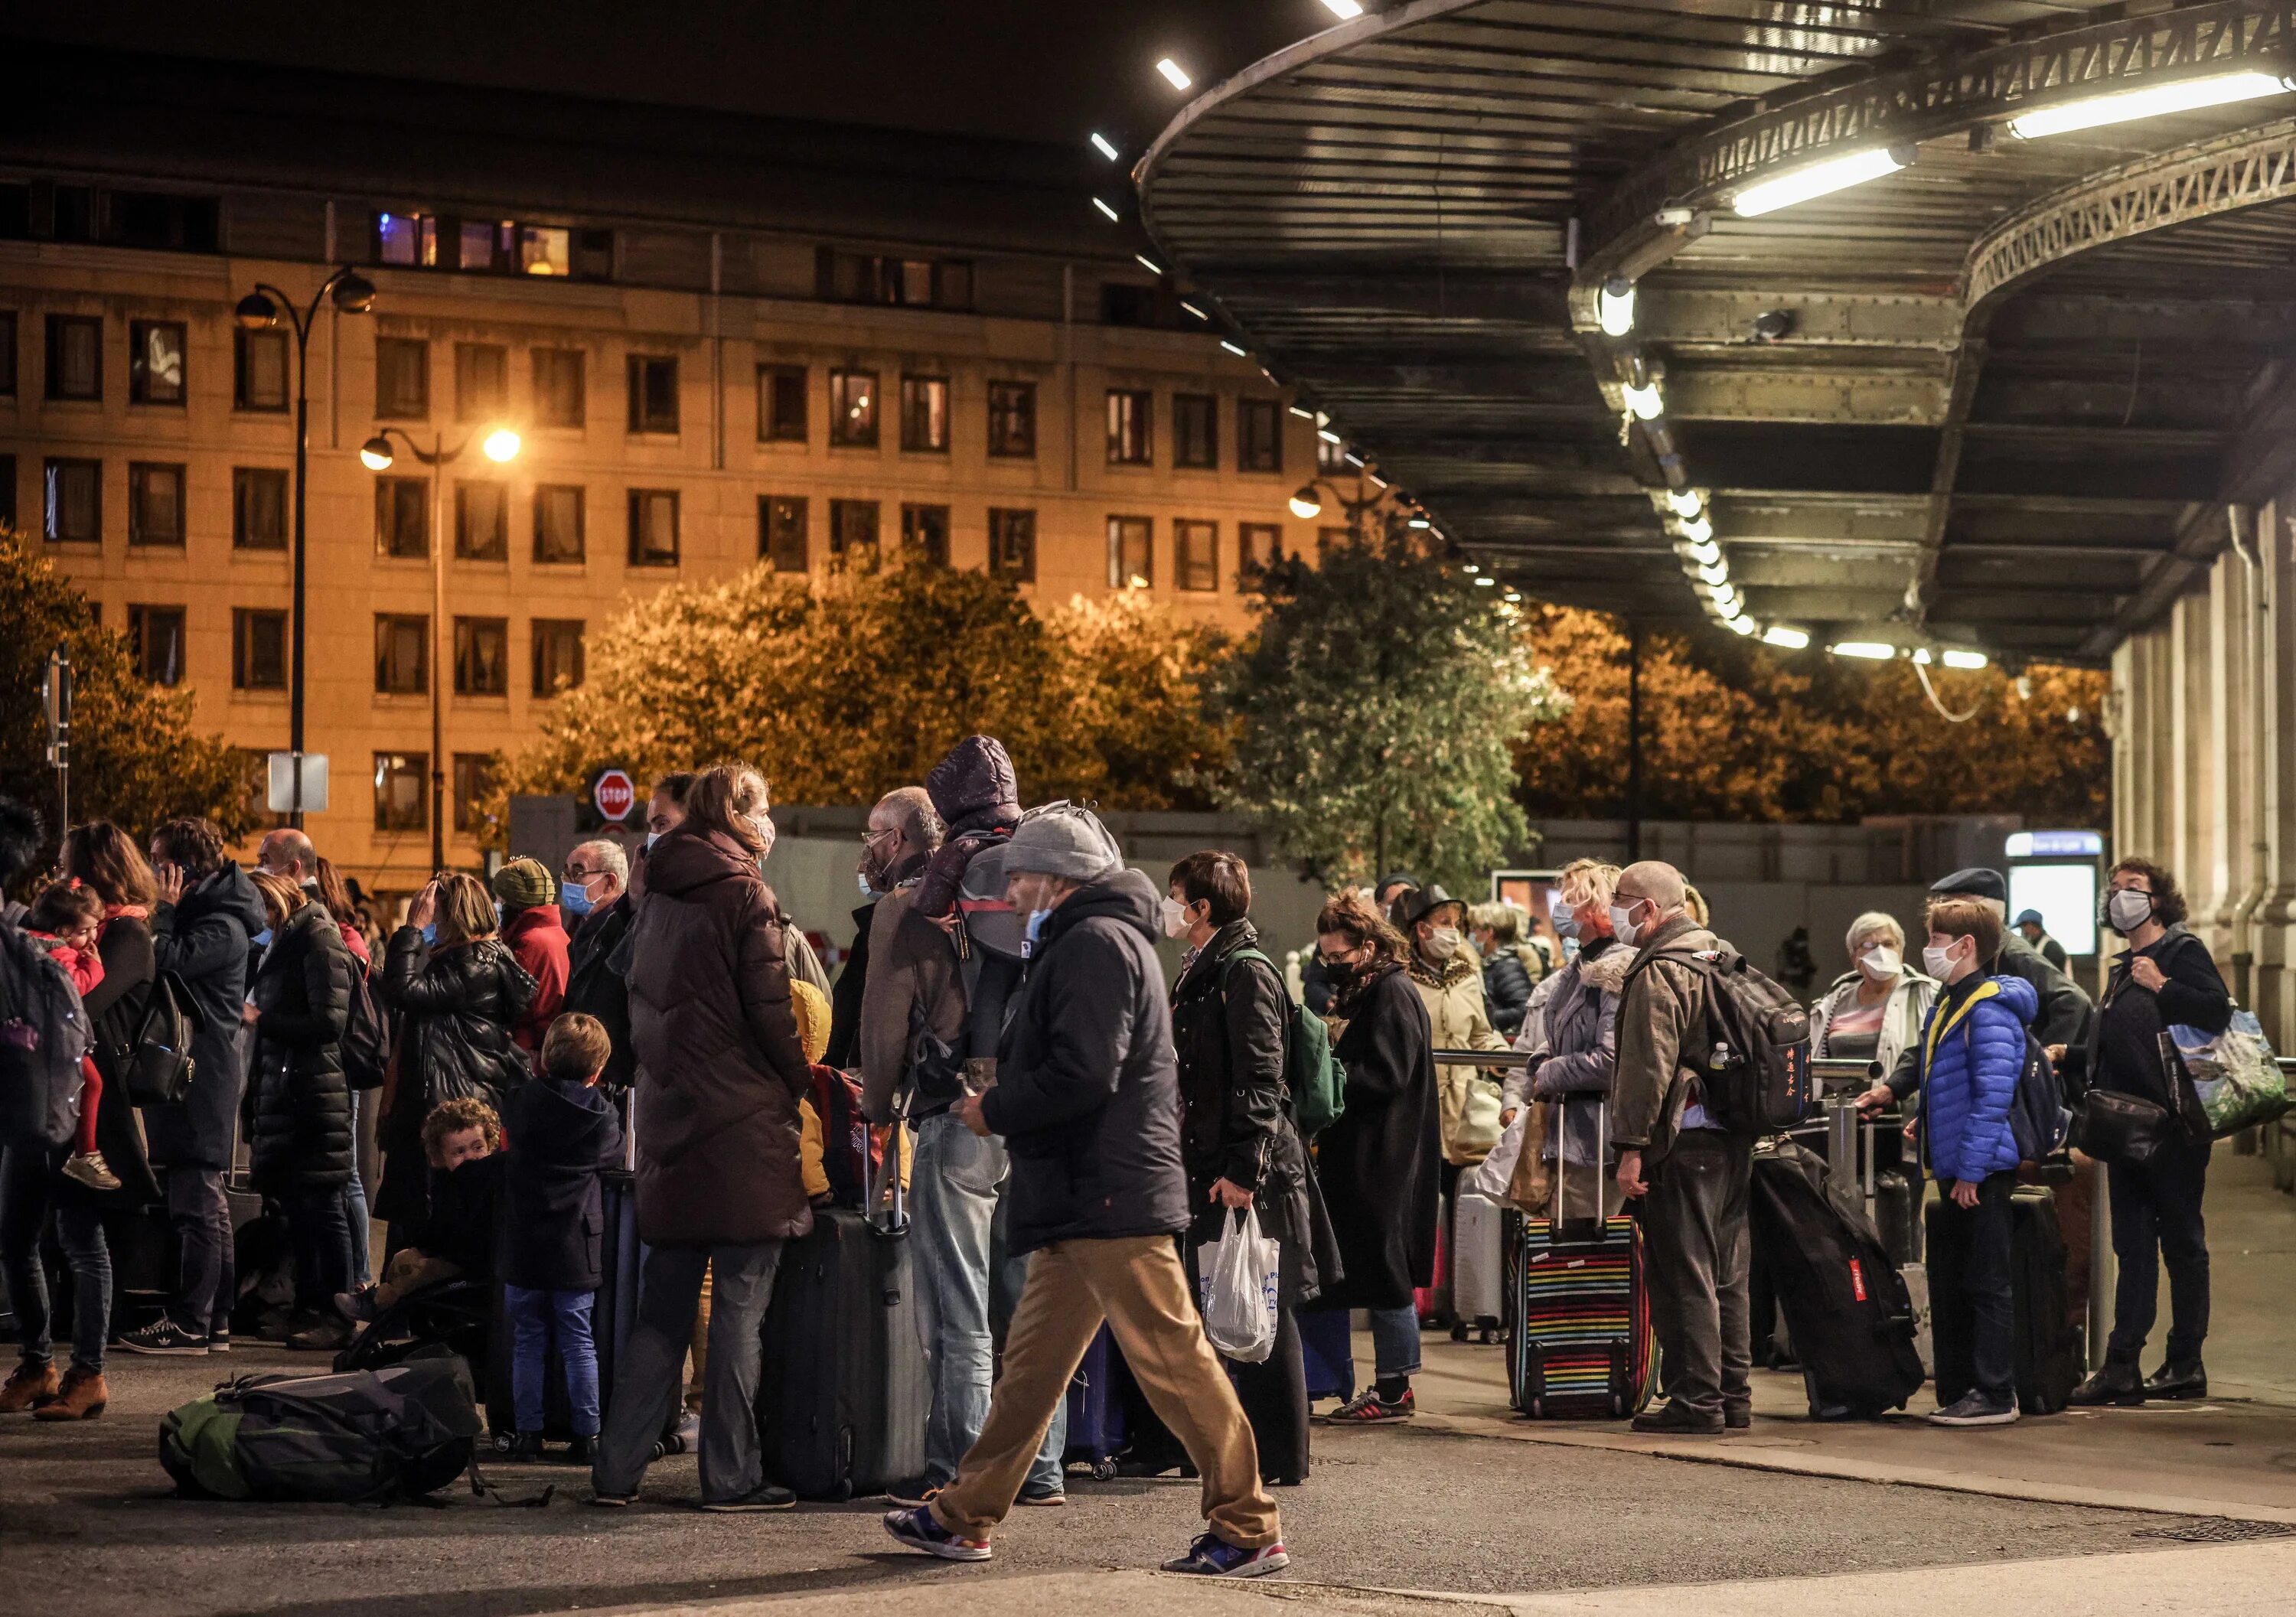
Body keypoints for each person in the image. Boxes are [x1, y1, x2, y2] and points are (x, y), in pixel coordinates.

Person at [881, 804, 1287, 1576]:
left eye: (1023, 874)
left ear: (1058, 876)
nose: (1014, 888)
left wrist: (991, 1108)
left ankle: (1248, 1523)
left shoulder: (1094, 945)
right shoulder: (1100, 937)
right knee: (1031, 1372)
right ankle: (963, 1514)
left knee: (1176, 1361)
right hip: (1089, 1194)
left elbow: (1085, 1072)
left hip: (1109, 1194)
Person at [594, 763, 814, 1512]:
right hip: (742, 1132)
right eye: (765, 809)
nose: (770, 824)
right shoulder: (746, 893)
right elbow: (771, 1010)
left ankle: (616, 1472)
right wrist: (801, 1078)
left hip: (669, 1126)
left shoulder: (654, 893)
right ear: (740, 817)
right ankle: (731, 1475)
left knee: (660, 1313)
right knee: (740, 1316)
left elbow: (640, 1007)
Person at [860, 745, 1068, 1508]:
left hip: (957, 1118)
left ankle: (958, 1467)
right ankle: (1041, 1467)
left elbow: (884, 1031)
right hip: (1036, 1114)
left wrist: (877, 1107)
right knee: (1032, 1308)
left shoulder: (910, 907)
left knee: (960, 1306)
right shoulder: (1034, 885)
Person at [1140, 849, 1334, 1487]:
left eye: (1175, 896)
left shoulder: (1242, 970)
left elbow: (1260, 1076)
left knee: (1262, 1304)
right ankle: (1246, 1448)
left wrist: (1245, 1171)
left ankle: (1280, 1455)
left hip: (1248, 1166)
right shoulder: (1210, 964)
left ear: (1200, 908)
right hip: (1219, 1158)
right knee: (1234, 1297)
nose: (1168, 907)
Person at [2064, 858, 2231, 1406]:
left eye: (2133, 888)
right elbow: (2122, 1044)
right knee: (2132, 1246)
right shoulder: (2120, 966)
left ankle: (2186, 1361)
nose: (2120, 897)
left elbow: (2215, 1012)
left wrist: (2162, 984)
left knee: (2182, 1241)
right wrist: (2073, 1055)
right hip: (2127, 1128)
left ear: (2158, 899)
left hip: (2175, 1127)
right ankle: (2122, 1365)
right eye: (2114, 890)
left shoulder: (2182, 954)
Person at [1609, 859, 1751, 1436]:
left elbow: (1648, 1067)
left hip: (1682, 1138)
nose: (1615, 906)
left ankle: (1696, 1400)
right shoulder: (1720, 955)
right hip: (1733, 1134)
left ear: (1648, 908)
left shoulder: (1660, 970)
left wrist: (1632, 1147)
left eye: (1621, 898)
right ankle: (1733, 1395)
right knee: (1726, 1273)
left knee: (1683, 1270)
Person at [120, 817, 267, 1356]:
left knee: (197, 1201)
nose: (152, 870)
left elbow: (161, 959)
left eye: (158, 860)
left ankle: (191, 1320)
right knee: (207, 1198)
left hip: (200, 1076)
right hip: (198, 1073)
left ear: (180, 868)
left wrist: (163, 910)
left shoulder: (221, 926)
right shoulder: (215, 917)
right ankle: (216, 1319)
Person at [1308, 889, 1439, 1425]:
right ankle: (1388, 1382)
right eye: (1326, 959)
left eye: (1339, 957)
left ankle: (1394, 1386)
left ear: (1365, 946)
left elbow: (1387, 1073)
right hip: (1372, 1150)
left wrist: (1332, 1079)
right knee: (1377, 1264)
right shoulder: (1372, 987)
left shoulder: (1391, 993)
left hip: (1385, 1153)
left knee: (1387, 1268)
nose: (1332, 966)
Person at [1915, 896, 2034, 1426]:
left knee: (1987, 1280)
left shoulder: (1987, 1009)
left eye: (1937, 940)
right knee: (1964, 1277)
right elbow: (1951, 1081)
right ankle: (1968, 1386)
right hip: (1961, 1159)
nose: (1929, 950)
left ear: (1966, 946)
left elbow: (1992, 1095)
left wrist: (1971, 1170)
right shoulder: (1952, 1001)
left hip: (1980, 1168)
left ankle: (1995, 1391)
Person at [372, 872, 536, 1243]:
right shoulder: (463, 959)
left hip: (452, 1100)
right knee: (423, 1212)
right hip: (450, 1093)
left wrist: (412, 929)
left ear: (453, 916)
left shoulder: (474, 962)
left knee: (436, 1216)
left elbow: (405, 990)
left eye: (436, 916)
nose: (433, 923)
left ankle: (412, 1292)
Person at [1862, 869, 2092, 1115]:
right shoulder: (1963, 970)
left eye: (1953, 905)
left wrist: (2040, 1063)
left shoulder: (2012, 955)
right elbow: (1936, 1041)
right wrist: (1892, 1088)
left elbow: (2074, 1001)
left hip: (2012, 1111)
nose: (1944, 913)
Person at [499, 1012, 625, 1461]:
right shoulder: (602, 1117)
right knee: (578, 1341)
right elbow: (615, 1157)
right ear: (597, 1070)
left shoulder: (520, 1102)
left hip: (525, 1242)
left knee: (528, 1340)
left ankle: (528, 1433)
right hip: (576, 1243)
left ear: (545, 1060)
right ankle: (587, 1434)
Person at [242, 870, 358, 1352]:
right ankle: (309, 1306)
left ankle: (336, 1312)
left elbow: (329, 1019)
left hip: (314, 1093)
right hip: (293, 1091)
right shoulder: (291, 938)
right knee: (303, 1210)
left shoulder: (317, 936)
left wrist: (263, 1019)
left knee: (324, 1208)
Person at [1505, 859, 1629, 1220]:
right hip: (1570, 1136)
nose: (1562, 906)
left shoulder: (1615, 970)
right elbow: (1559, 1037)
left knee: (1580, 1252)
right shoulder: (1578, 968)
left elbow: (1611, 1060)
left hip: (1596, 1140)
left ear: (1595, 908)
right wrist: (1541, 1062)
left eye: (1571, 897)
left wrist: (1551, 1071)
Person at [338, 1098, 502, 1321]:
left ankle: (379, 1303)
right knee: (403, 1259)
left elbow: (469, 1235)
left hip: (477, 1262)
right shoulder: (449, 1183)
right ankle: (398, 1317)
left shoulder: (489, 1181)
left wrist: (431, 1252)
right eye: (459, 1152)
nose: (470, 1158)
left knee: (419, 1272)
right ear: (440, 1157)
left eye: (477, 1148)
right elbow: (440, 1225)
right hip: (458, 1253)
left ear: (490, 1145)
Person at [1400, 885, 1511, 1174]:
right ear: (1422, 930)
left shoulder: (1468, 977)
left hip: (1465, 1112)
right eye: (1445, 923)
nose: (1454, 931)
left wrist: (1502, 1056)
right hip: (1416, 1107)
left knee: (1461, 1193)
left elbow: (1481, 1035)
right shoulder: (1400, 980)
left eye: (1456, 924)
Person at [828, 787, 938, 1069]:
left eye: (872, 839)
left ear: (895, 839)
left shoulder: (891, 919)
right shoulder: (950, 905)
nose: (863, 860)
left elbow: (868, 1025)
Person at [19, 884, 119, 1190]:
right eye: (86, 930)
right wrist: (95, 966)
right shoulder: (56, 952)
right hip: (59, 1038)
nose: (92, 938)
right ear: (64, 930)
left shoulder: (32, 943)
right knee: (92, 1084)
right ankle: (85, 1153)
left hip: (43, 1037)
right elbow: (74, 986)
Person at [1815, 912, 1939, 1084]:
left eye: (1888, 944)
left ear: (1901, 951)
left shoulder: (1929, 994)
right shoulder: (1834, 1001)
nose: (1881, 951)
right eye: (1869, 945)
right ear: (1854, 957)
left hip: (1898, 1106)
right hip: (1839, 1106)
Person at [559, 839, 636, 1092]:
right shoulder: (581, 931)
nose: (569, 881)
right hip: (586, 1074)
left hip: (610, 1079)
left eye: (578, 872)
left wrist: (610, 1071)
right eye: (567, 873)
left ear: (610, 882)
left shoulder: (623, 933)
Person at [493, 856, 570, 1058]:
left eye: (500, 899)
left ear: (513, 902)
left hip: (528, 1053)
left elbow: (514, 1006)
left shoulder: (529, 943)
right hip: (545, 1048)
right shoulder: (555, 933)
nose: (496, 904)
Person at [1469, 901, 1538, 1038]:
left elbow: (1523, 1009)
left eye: (1475, 929)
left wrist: (1485, 1018)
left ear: (1489, 932)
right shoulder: (1493, 964)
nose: (1472, 935)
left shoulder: (1507, 966)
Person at [2015, 908, 2070, 973]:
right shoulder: (2036, 945)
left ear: (2030, 925)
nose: (2023, 933)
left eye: (2022, 928)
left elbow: (2053, 977)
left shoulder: (2051, 948)